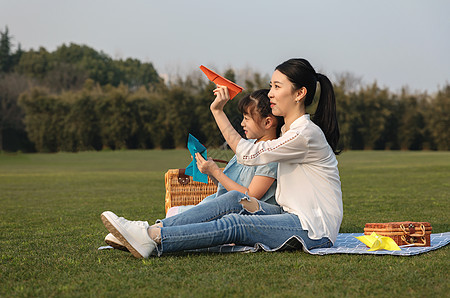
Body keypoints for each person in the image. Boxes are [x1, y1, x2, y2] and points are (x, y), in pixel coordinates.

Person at [101, 58, 343, 259]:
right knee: (237, 199)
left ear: (300, 93)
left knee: (237, 225)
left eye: (277, 87)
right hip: (287, 214)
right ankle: (149, 230)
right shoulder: (288, 133)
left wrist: (218, 111)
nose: (270, 93)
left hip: (313, 228)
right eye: (271, 86)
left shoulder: (304, 135)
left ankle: (153, 238)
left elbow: (248, 154)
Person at [104, 89, 283, 249]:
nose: (242, 124)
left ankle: (147, 233)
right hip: (229, 207)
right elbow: (229, 187)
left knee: (188, 214)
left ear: (268, 122)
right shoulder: (249, 147)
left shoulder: (271, 156)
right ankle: (146, 233)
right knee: (182, 211)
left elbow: (249, 197)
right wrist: (208, 170)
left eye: (247, 118)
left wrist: (216, 172)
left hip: (249, 216)